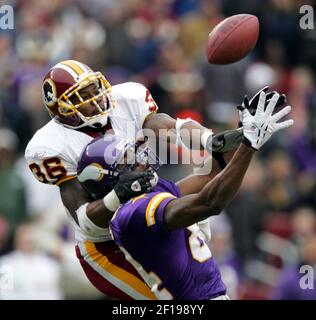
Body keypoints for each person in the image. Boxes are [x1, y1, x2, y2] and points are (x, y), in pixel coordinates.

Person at [24, 60, 244, 299]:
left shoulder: (127, 98)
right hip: (107, 243)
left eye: (94, 89)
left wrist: (209, 139)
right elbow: (84, 219)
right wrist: (118, 194)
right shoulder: (50, 145)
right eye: (82, 96)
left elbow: (164, 125)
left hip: (146, 202)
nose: (95, 98)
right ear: (64, 109)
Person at [77, 91, 293, 299]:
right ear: (110, 178)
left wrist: (242, 133)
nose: (141, 159)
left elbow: (210, 175)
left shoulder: (151, 193)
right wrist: (249, 146)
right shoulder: (132, 213)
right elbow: (210, 202)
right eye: (128, 159)